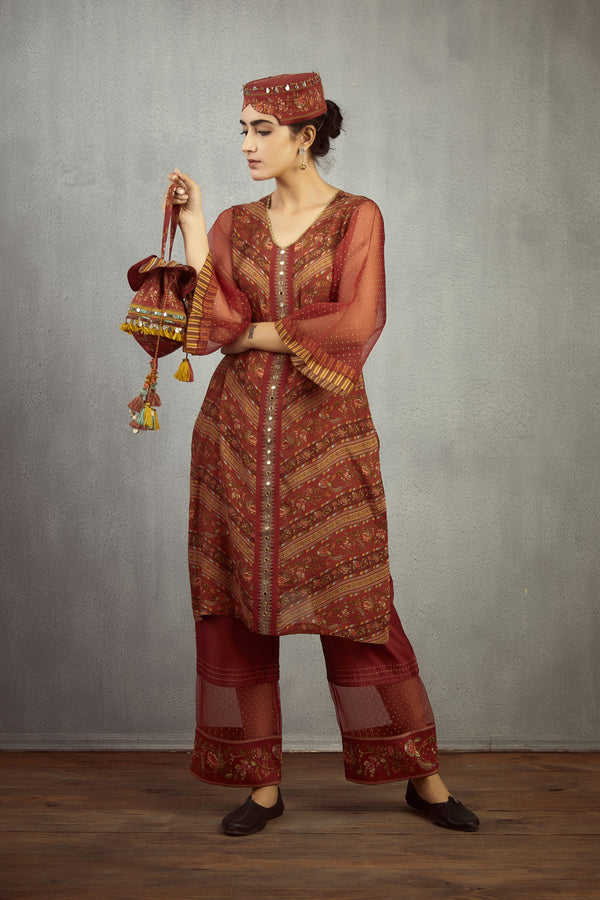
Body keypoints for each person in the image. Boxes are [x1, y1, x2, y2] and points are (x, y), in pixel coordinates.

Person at [166, 72, 479, 836]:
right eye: (242, 129)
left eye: (262, 130)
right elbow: (213, 325)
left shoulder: (355, 219)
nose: (247, 145)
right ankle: (262, 788)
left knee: (358, 605)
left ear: (305, 136)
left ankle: (423, 778)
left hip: (327, 441)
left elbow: (356, 321)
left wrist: (256, 332)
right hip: (236, 438)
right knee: (239, 607)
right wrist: (198, 221)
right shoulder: (234, 224)